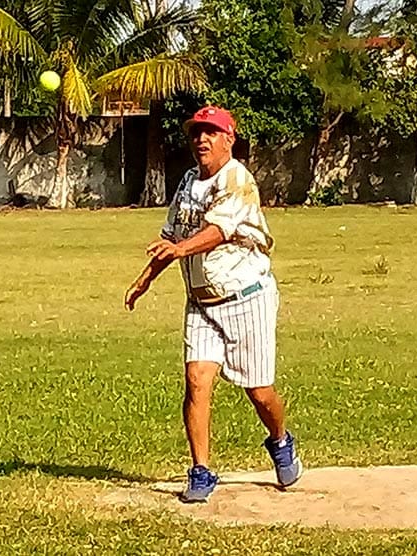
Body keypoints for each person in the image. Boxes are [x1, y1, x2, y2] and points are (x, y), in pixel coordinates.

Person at [124, 106, 302, 503]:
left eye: (211, 132)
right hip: (202, 303)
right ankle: (201, 471)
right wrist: (143, 280)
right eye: (196, 133)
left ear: (229, 138)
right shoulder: (189, 182)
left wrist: (179, 249)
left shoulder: (237, 178)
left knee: (259, 391)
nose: (201, 140)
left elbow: (218, 231)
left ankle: (280, 440)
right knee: (196, 381)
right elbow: (170, 236)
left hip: (246, 298)